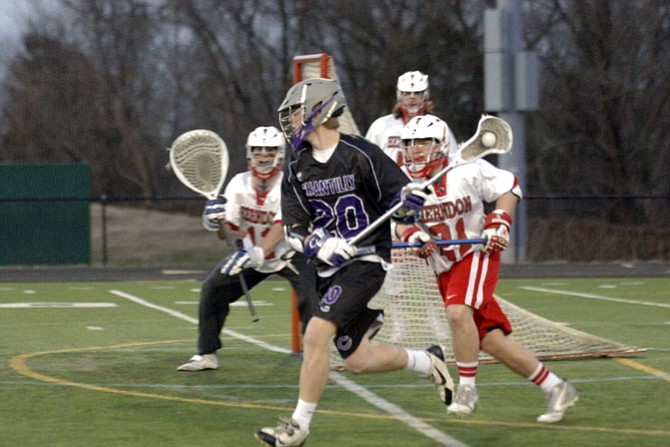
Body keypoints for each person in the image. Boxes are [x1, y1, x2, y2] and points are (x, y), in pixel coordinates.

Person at [254, 78, 453, 446]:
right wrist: (321, 243)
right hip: (328, 269)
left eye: (296, 113)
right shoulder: (297, 169)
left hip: (366, 261)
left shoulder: (360, 154)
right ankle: (428, 361)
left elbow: (401, 200)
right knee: (358, 360)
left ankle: (298, 426)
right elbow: (294, 228)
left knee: (316, 334)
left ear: (319, 110)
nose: (292, 122)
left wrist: (411, 198)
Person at [394, 114, 579, 423]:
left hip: (476, 252)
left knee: (456, 313)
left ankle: (467, 389)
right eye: (409, 143)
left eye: (423, 142)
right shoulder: (402, 180)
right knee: (489, 340)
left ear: (440, 144)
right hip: (444, 265)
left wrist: (500, 221)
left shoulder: (465, 169)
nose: (414, 149)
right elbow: (397, 221)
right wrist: (413, 234)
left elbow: (509, 186)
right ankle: (556, 387)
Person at [177, 125, 317, 372]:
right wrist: (215, 221)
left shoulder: (290, 183)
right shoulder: (237, 184)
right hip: (250, 255)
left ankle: (319, 351)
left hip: (289, 252)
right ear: (249, 153)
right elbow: (228, 233)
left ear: (281, 154)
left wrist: (259, 252)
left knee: (313, 295)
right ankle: (207, 353)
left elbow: (281, 227)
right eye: (258, 150)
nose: (264, 155)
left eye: (270, 150)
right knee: (212, 289)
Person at [365, 70, 458, 165]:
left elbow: (453, 161)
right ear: (399, 95)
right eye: (407, 93)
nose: (412, 97)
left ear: (426, 95)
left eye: (417, 93)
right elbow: (366, 158)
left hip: (427, 179)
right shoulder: (381, 126)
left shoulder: (439, 127)